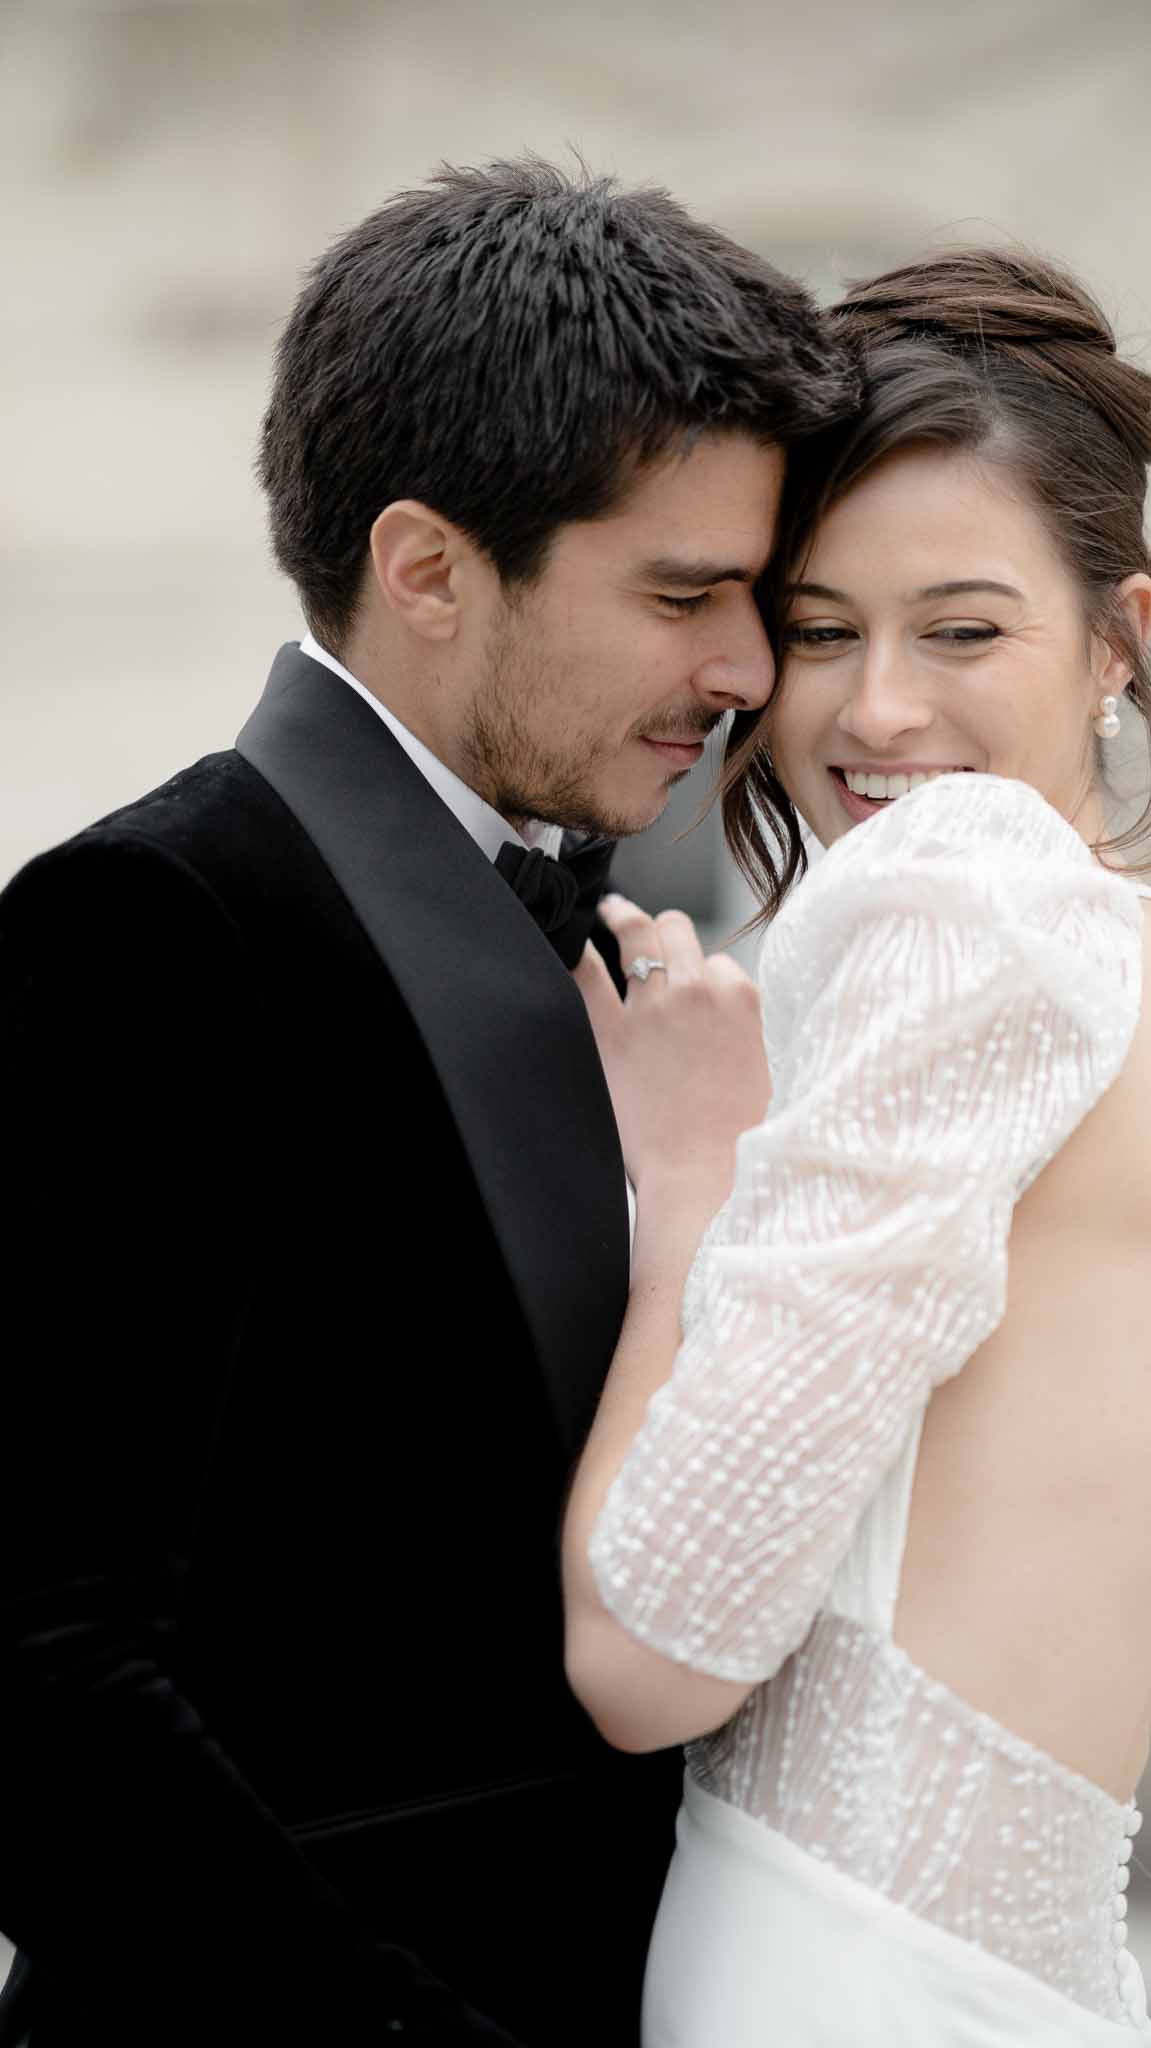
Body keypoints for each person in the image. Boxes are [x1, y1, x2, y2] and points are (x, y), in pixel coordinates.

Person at [0, 159, 854, 2047]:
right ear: (428, 570)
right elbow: (36, 1667)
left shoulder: (594, 941)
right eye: (682, 596)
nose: (740, 675)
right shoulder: (150, 928)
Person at [562, 249, 1151, 2045]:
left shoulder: (957, 896)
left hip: (837, 1975)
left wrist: (692, 1188)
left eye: (960, 631)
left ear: (1116, 637)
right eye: (819, 632)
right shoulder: (1137, 964)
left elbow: (648, 1657)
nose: (875, 711)